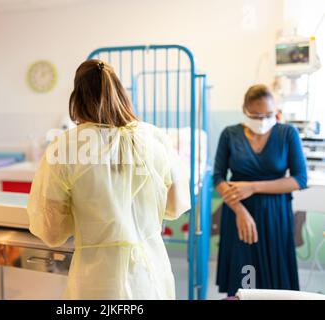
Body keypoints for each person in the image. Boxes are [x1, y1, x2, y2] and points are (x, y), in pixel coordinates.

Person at [27, 59, 191, 299]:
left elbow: (52, 233)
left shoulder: (64, 149)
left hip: (97, 280)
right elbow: (175, 206)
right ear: (121, 94)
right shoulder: (156, 139)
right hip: (151, 274)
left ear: (77, 100)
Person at [213, 84, 307, 296]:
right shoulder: (230, 135)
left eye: (268, 115)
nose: (263, 121)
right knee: (245, 278)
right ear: (245, 110)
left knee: (274, 280)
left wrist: (253, 187)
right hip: (239, 216)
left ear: (276, 111)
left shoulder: (287, 134)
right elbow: (218, 177)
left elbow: (300, 179)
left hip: (275, 216)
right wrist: (240, 211)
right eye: (256, 115)